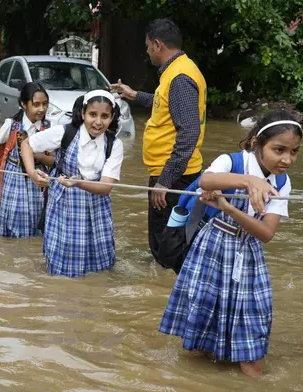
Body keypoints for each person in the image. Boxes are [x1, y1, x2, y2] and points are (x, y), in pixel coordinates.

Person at [159, 110, 302, 377]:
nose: (287, 159)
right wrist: (250, 181)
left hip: (248, 253)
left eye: (294, 152)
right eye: (279, 149)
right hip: (212, 246)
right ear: (257, 145)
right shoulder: (232, 162)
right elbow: (206, 180)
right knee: (201, 326)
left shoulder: (282, 182)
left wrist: (228, 206)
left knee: (254, 326)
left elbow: (266, 233)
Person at [110, 18, 207, 267]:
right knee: (169, 243)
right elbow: (165, 103)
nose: (146, 51)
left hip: (174, 176)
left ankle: (164, 297)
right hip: (173, 172)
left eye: (147, 46)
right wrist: (134, 95)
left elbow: (188, 134)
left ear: (157, 44)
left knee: (167, 248)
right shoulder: (179, 72)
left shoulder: (180, 78)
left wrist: (165, 181)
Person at [20, 90, 124, 277]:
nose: (98, 122)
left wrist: (78, 184)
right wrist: (31, 172)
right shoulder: (65, 132)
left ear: (112, 117)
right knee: (63, 262)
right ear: (83, 113)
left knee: (99, 264)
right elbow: (27, 144)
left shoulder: (114, 144)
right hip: (64, 203)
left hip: (97, 205)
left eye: (105, 116)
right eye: (93, 114)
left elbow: (106, 186)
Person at [0, 82, 53, 238]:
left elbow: (54, 160)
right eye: (36, 104)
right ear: (23, 104)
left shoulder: (49, 128)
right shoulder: (11, 126)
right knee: (14, 217)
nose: (41, 109)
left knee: (38, 217)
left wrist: (40, 157)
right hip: (13, 177)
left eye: (45, 104)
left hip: (39, 178)